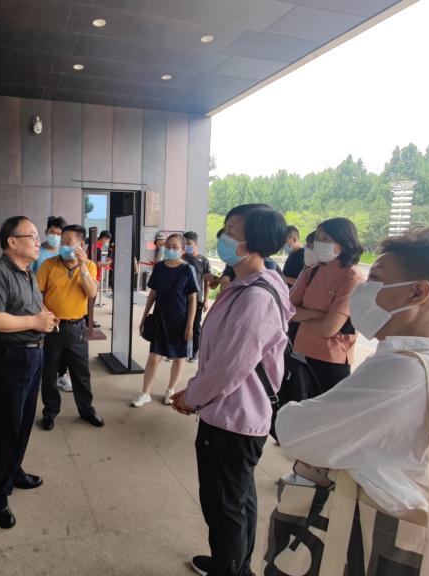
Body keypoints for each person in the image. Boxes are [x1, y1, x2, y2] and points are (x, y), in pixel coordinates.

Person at [276, 227, 429, 565]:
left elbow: (296, 432)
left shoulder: (404, 370)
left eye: (376, 280)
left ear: (417, 293)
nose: (363, 291)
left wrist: (292, 412)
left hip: (372, 535)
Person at [170, 206, 292, 576]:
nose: (224, 235)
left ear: (254, 243)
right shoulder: (246, 284)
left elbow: (230, 366)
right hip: (232, 411)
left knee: (224, 505)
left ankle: (230, 568)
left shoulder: (255, 297)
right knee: (237, 500)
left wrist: (192, 397)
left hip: (233, 418)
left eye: (232, 230)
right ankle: (234, 564)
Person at [0, 216, 57, 529]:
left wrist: (44, 317)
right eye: (32, 236)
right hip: (7, 358)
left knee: (23, 422)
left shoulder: (27, 273)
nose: (39, 241)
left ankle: (13, 470)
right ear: (12, 241)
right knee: (5, 426)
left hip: (32, 355)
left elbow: (30, 310)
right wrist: (34, 322)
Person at [37, 224, 105, 430]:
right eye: (62, 242)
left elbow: (91, 293)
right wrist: (45, 314)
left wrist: (82, 267)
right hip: (52, 328)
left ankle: (86, 410)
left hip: (77, 328)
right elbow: (37, 295)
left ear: (81, 245)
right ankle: (50, 411)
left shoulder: (90, 266)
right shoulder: (48, 265)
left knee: (81, 373)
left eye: (68, 242)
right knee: (49, 374)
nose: (63, 246)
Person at [289, 217, 364, 392]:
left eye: (326, 238)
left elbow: (328, 329)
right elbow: (286, 310)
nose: (319, 242)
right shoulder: (312, 272)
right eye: (318, 237)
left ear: (344, 244)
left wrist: (301, 315)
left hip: (331, 359)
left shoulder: (352, 278)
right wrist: (319, 315)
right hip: (300, 353)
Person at [132, 233, 198, 407]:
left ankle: (170, 390)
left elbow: (192, 299)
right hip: (160, 319)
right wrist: (144, 318)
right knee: (154, 357)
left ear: (183, 250)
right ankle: (145, 393)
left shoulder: (187, 270)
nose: (170, 249)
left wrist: (190, 325)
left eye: (175, 247)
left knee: (179, 357)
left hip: (180, 321)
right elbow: (152, 294)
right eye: (168, 246)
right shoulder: (159, 267)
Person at [31, 216, 73, 392]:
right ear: (46, 232)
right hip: (41, 306)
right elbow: (30, 279)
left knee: (63, 346)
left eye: (59, 233)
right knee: (44, 343)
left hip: (63, 307)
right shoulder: (37, 252)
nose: (55, 236)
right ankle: (43, 374)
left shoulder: (66, 253)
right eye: (52, 232)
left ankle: (61, 375)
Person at [182, 231, 213, 363]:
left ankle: (195, 352)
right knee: (179, 324)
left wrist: (206, 300)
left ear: (196, 244)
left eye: (189, 244)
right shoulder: (181, 257)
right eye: (185, 244)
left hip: (197, 299)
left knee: (195, 327)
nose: (186, 246)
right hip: (181, 298)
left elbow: (207, 282)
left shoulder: (203, 260)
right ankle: (179, 351)